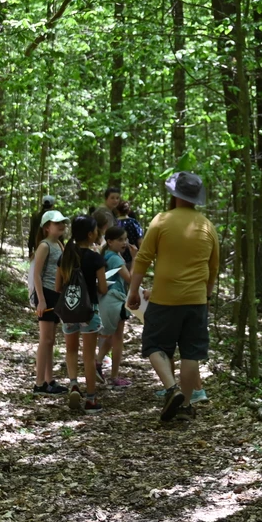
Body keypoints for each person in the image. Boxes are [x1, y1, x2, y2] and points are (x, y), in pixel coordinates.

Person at [126, 171, 219, 423]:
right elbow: (213, 267)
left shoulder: (162, 221)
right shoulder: (207, 226)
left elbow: (143, 258)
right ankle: (185, 406)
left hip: (165, 298)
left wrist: (133, 291)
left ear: (175, 195)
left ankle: (171, 388)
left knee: (154, 344)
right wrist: (206, 295)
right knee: (191, 352)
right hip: (196, 300)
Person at [56, 215, 109, 413]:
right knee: (88, 356)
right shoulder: (96, 259)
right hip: (89, 311)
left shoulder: (66, 257)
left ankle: (73, 385)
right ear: (90, 234)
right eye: (95, 230)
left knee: (70, 350)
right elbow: (103, 288)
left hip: (69, 311)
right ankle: (91, 399)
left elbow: (58, 287)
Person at [29, 210, 70, 395]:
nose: (61, 225)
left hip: (56, 295)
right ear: (46, 227)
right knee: (45, 339)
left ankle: (49, 380)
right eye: (56, 223)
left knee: (51, 340)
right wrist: (41, 300)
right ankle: (39, 384)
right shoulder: (44, 246)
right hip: (45, 294)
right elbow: (37, 274)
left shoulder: (59, 244)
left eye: (62, 222)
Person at [97, 225, 133, 388]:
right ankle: (114, 377)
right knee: (118, 338)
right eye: (120, 240)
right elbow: (130, 279)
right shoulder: (116, 259)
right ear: (110, 242)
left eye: (125, 239)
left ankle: (98, 363)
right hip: (115, 299)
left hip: (108, 299)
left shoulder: (107, 255)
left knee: (112, 336)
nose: (124, 242)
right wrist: (136, 258)